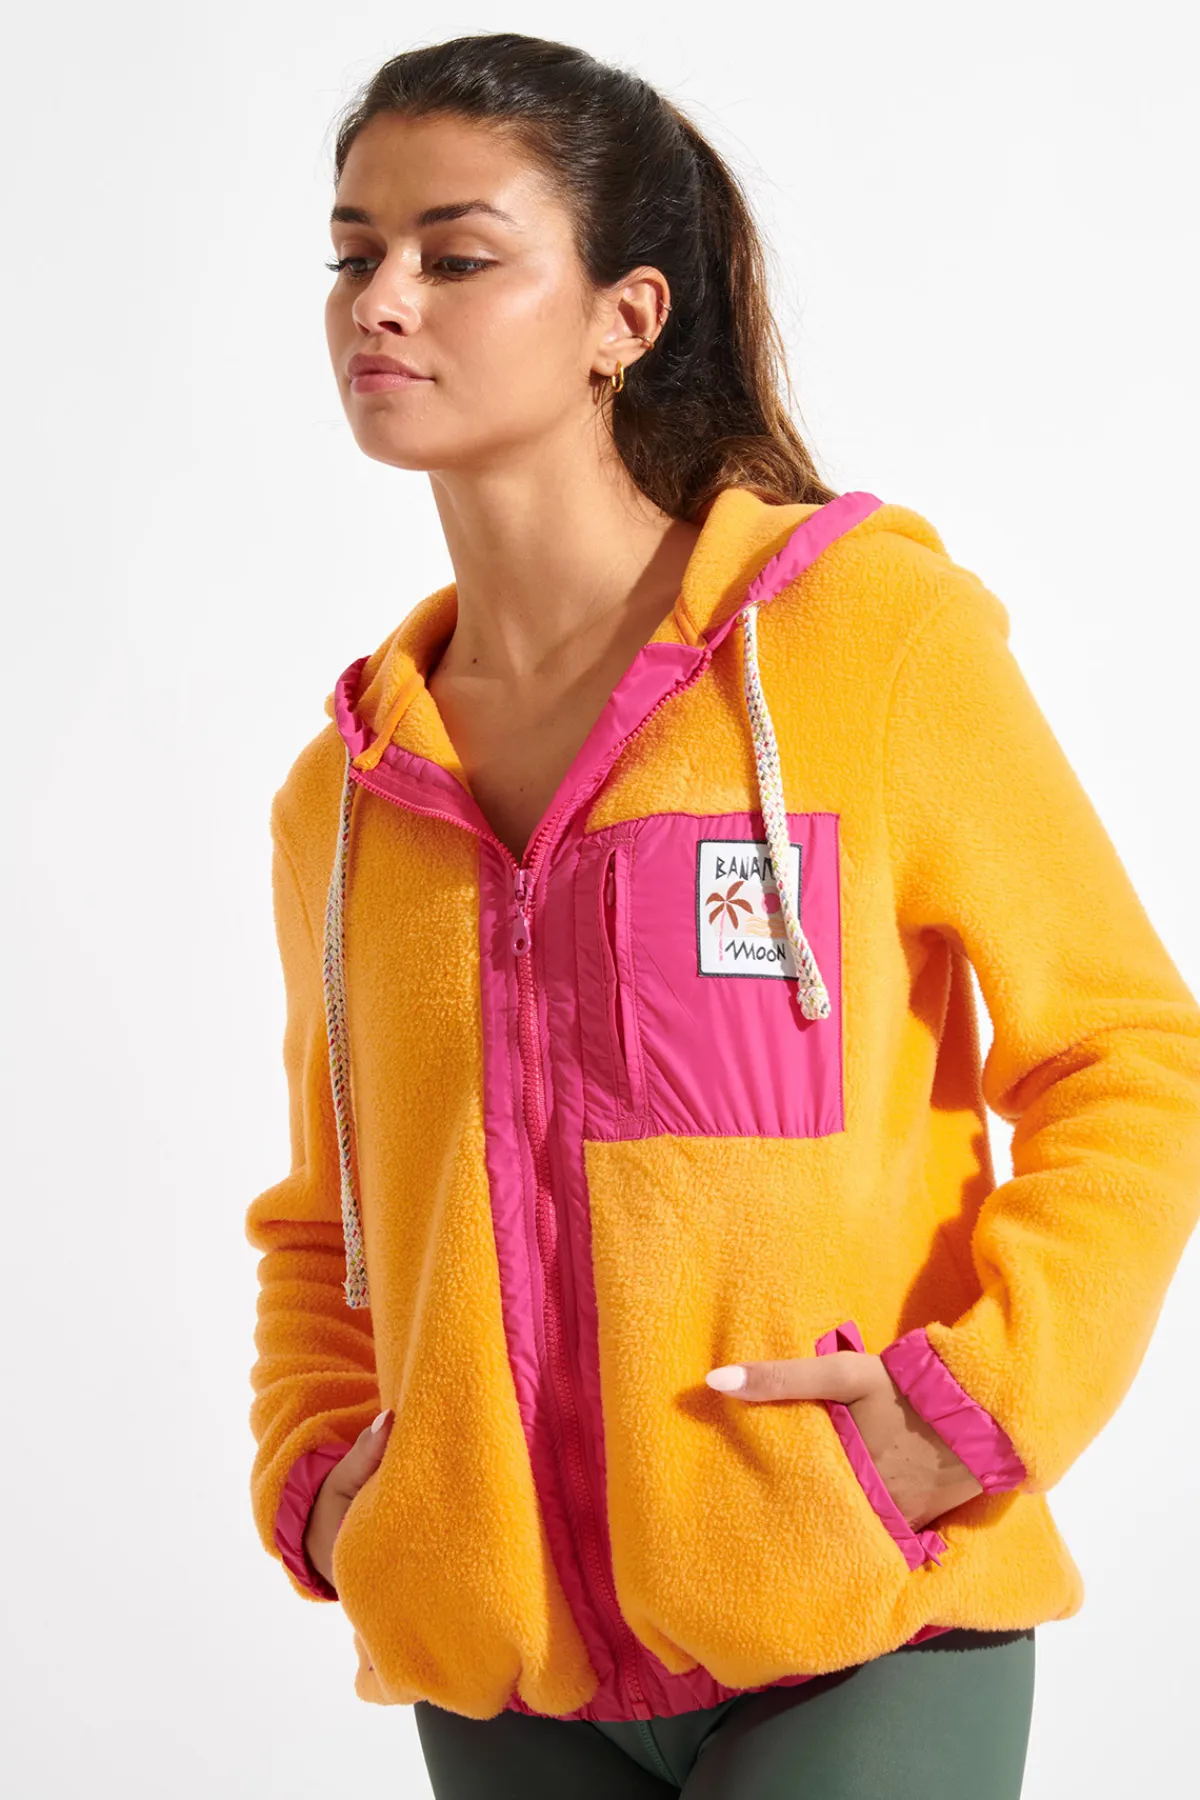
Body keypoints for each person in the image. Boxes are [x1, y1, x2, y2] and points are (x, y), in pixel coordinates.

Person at [244, 30, 1200, 1799]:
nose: (381, 301)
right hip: (503, 1680)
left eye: (457, 256)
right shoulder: (354, 791)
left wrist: (973, 1412)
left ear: (625, 318)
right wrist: (323, 1481)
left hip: (861, 1625)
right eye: (352, 251)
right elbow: (337, 1216)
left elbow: (1132, 1061)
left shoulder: (864, 647)